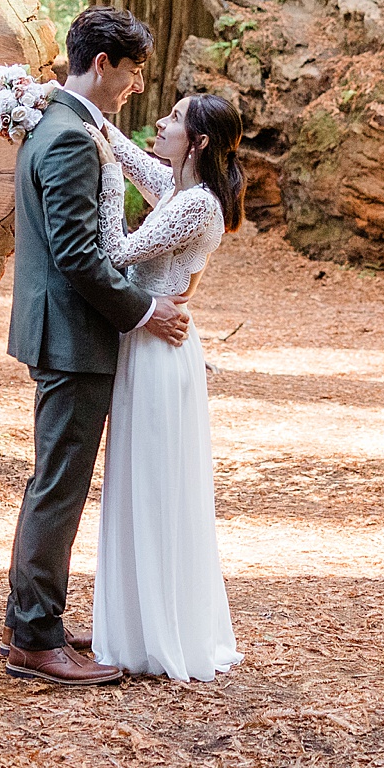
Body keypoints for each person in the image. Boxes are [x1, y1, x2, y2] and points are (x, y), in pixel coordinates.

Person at [1, 7, 190, 686]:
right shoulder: (73, 137)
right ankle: (34, 636)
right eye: (134, 70)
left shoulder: (58, 120)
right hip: (72, 335)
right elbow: (79, 256)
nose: (136, 85)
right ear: (103, 63)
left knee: (50, 479)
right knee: (59, 484)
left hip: (58, 327)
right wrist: (144, 310)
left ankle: (29, 614)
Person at [90, 91, 245, 682]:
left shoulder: (196, 205)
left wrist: (106, 184)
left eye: (175, 118)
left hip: (159, 350)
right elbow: (128, 152)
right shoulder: (178, 188)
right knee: (136, 480)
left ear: (198, 142)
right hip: (149, 343)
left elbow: (118, 253)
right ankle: (137, 623)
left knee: (152, 484)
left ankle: (157, 633)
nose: (161, 120)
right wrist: (49, 101)